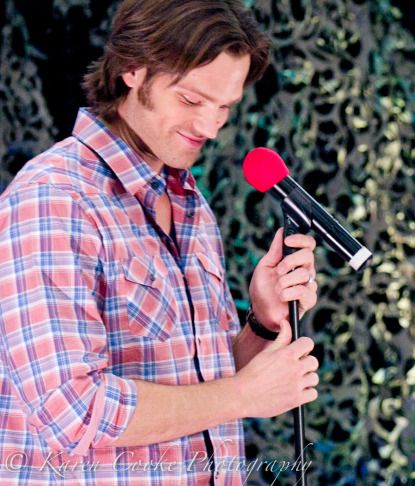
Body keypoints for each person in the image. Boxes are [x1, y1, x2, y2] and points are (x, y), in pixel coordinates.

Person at [0, 1, 321, 484]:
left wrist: (260, 322)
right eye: (192, 100)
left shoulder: (189, 203)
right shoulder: (55, 199)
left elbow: (196, 385)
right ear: (132, 69)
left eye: (224, 108)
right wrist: (243, 396)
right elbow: (72, 412)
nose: (209, 127)